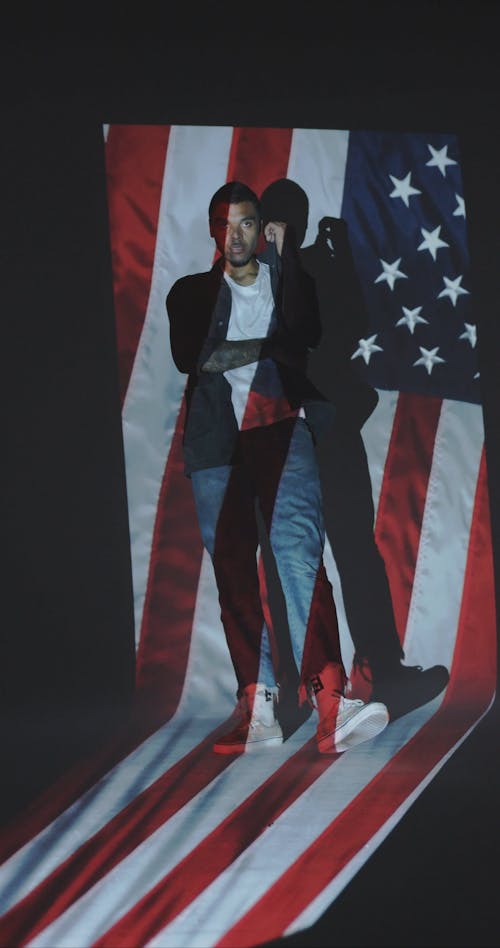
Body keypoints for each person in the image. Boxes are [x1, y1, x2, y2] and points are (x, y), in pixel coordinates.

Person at [166, 180, 389, 755]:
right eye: (226, 223)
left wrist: (287, 258)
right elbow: (193, 355)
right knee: (235, 571)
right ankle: (258, 700)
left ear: (261, 228)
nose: (236, 234)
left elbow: (306, 333)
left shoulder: (287, 279)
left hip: (281, 427)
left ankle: (331, 700)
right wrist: (267, 346)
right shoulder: (189, 292)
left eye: (247, 222)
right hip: (217, 443)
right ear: (215, 231)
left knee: (298, 554)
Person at [259, 178, 450, 721]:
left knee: (356, 554)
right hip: (278, 434)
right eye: (268, 224)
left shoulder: (323, 261)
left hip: (331, 428)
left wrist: (301, 261)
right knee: (287, 562)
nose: (275, 234)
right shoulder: (251, 277)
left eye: (281, 223)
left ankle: (384, 672)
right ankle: (299, 692)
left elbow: (347, 326)